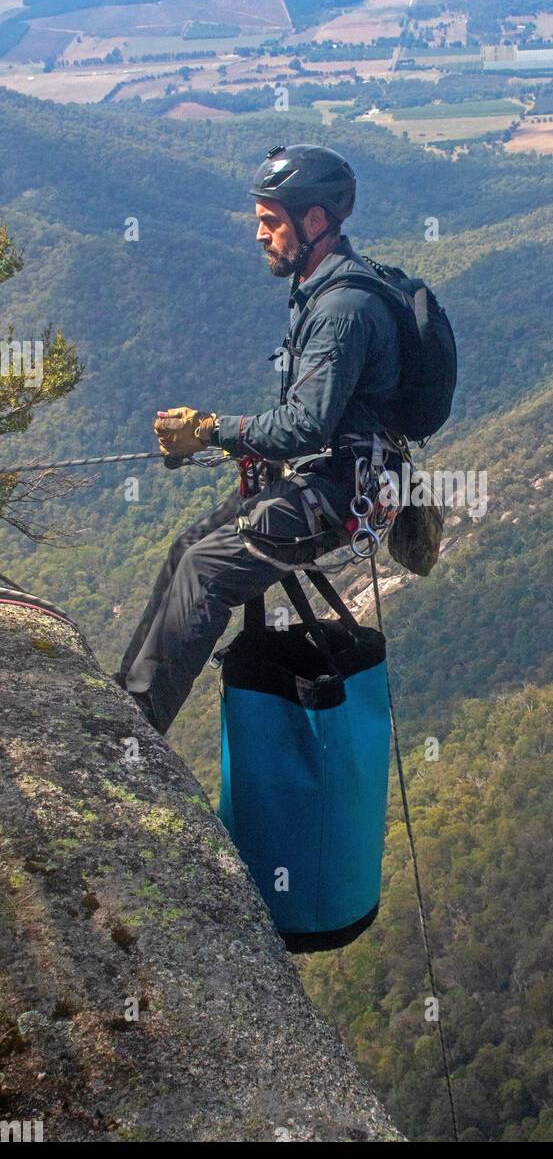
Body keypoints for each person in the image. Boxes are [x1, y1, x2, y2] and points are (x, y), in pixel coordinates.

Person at [119, 144, 406, 734]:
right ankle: (124, 701)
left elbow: (305, 426)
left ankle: (137, 732)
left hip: (343, 486)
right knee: (187, 547)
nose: (259, 235)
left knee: (205, 569)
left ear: (315, 220)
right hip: (330, 473)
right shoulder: (323, 289)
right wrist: (229, 439)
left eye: (270, 221)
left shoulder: (342, 309)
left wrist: (211, 431)